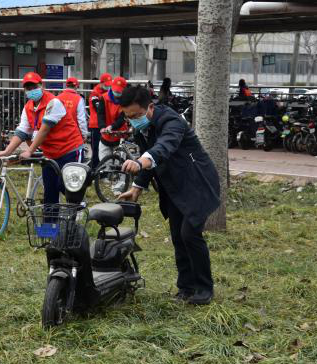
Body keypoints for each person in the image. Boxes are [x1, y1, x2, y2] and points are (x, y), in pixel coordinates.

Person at [117, 85, 221, 305]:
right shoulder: (142, 128)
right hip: (173, 186)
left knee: (190, 234)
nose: (133, 121)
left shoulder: (171, 121)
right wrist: (137, 186)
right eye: (128, 117)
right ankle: (186, 287)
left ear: (150, 107)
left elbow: (163, 147)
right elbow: (151, 160)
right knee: (177, 236)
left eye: (136, 115)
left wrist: (140, 162)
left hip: (197, 183)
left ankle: (204, 288)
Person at [0, 72, 84, 205]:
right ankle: (50, 218)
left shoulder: (53, 102)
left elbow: (44, 130)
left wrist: (29, 151)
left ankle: (78, 208)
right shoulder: (28, 107)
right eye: (28, 88)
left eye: (34, 87)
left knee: (66, 186)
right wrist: (7, 151)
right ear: (24, 90)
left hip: (70, 149)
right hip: (50, 154)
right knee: (50, 190)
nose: (31, 90)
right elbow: (22, 131)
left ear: (41, 86)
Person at [97, 76, 128, 162]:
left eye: (119, 91)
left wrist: (112, 126)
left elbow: (122, 118)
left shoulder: (126, 100)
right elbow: (100, 114)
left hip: (120, 135)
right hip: (105, 135)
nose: (117, 92)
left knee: (120, 164)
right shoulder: (104, 98)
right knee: (104, 163)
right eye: (115, 90)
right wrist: (102, 127)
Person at [88, 73, 112, 168]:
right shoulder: (95, 93)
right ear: (101, 83)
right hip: (96, 125)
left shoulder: (110, 92)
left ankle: (104, 169)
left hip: (107, 124)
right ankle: (94, 170)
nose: (108, 86)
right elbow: (98, 107)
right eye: (106, 84)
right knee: (96, 149)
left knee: (106, 150)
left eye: (109, 84)